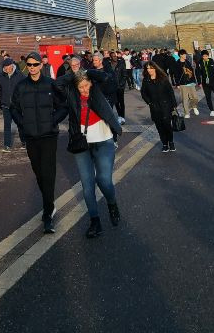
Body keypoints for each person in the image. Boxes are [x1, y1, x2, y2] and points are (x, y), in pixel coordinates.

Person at [56, 69, 122, 239]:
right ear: (75, 87)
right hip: (81, 142)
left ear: (91, 83)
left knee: (104, 180)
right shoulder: (71, 94)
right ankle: (95, 221)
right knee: (87, 185)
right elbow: (56, 84)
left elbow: (106, 77)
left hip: (104, 139)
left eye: (86, 85)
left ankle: (112, 203)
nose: (84, 90)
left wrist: (88, 72)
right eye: (81, 87)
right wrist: (74, 74)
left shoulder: (98, 90)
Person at [10, 51, 67, 234]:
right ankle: (49, 203)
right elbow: (14, 109)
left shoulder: (50, 84)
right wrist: (23, 124)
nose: (33, 68)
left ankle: (48, 213)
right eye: (30, 65)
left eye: (36, 64)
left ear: (41, 65)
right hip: (31, 137)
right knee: (39, 173)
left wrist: (53, 120)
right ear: (27, 66)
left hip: (49, 136)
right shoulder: (21, 86)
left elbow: (63, 106)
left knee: (48, 173)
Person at [141, 61, 178, 152]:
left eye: (151, 68)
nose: (149, 70)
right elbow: (143, 93)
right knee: (159, 126)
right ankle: (164, 144)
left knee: (167, 125)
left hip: (166, 105)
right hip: (154, 106)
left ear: (155, 68)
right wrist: (149, 102)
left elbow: (170, 92)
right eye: (147, 68)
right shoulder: (146, 80)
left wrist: (174, 104)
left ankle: (171, 142)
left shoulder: (163, 78)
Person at [0, 57, 25, 152]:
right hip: (6, 105)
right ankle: (7, 145)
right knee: (7, 126)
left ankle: (24, 142)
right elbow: (0, 91)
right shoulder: (1, 77)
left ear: (11, 66)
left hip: (17, 106)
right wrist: (0, 102)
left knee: (20, 124)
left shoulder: (20, 75)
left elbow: (24, 89)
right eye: (4, 68)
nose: (5, 69)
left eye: (6, 67)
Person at [173, 49, 200, 118]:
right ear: (181, 55)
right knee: (184, 99)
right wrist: (177, 84)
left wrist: (194, 80)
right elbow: (176, 74)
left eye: (186, 54)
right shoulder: (177, 64)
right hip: (182, 83)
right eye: (184, 54)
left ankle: (194, 107)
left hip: (190, 82)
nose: (186, 55)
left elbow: (192, 71)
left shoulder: (187, 62)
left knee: (195, 97)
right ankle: (187, 113)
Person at [196, 49, 214, 116]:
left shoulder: (212, 61)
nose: (205, 57)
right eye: (203, 56)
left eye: (206, 56)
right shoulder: (199, 63)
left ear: (208, 56)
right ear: (202, 56)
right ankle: (211, 110)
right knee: (208, 97)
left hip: (213, 82)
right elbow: (198, 73)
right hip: (205, 83)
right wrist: (199, 82)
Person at [109, 50, 127, 124]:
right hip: (112, 87)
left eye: (115, 56)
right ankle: (119, 116)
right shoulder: (109, 65)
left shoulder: (121, 64)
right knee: (116, 102)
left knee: (121, 102)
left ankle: (122, 117)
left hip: (120, 87)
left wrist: (121, 84)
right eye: (113, 56)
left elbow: (124, 75)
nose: (115, 58)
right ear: (110, 57)